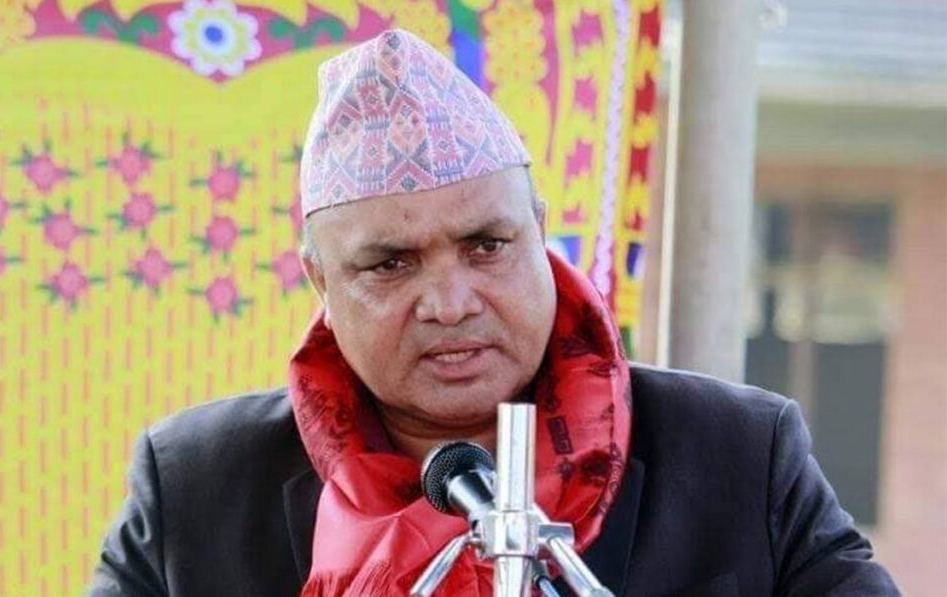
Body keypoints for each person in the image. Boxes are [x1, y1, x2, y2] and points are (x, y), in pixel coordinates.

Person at [87, 29, 898, 597]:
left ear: (539, 232)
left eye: (486, 245)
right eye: (390, 263)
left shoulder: (737, 455)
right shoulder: (197, 487)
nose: (449, 303)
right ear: (319, 281)